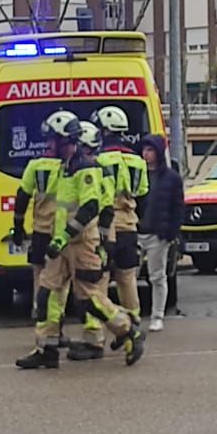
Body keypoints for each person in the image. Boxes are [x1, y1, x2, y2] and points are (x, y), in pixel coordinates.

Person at [18, 120, 146, 370]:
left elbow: (90, 207)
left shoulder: (85, 168)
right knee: (48, 295)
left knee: (88, 298)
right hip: (62, 243)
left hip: (81, 243)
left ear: (65, 140)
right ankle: (47, 348)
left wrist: (63, 237)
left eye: (52, 140)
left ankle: (128, 329)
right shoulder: (65, 168)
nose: (49, 144)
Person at [8, 112, 71, 311]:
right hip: (65, 232)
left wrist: (17, 226)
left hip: (41, 231)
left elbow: (22, 196)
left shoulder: (36, 166)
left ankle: (40, 310)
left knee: (41, 275)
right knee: (62, 280)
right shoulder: (73, 167)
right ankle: (57, 314)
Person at [93, 106, 148, 320]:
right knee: (127, 277)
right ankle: (133, 320)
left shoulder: (100, 160)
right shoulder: (137, 160)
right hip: (129, 224)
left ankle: (100, 324)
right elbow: (143, 194)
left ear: (105, 130)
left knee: (101, 278)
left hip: (105, 226)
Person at [138, 134, 184, 331]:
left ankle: (157, 315)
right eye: (144, 149)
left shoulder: (171, 178)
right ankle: (133, 314)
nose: (146, 154)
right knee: (128, 275)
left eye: (150, 150)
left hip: (158, 234)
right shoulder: (137, 174)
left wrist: (170, 233)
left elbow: (178, 207)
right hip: (136, 232)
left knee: (157, 276)